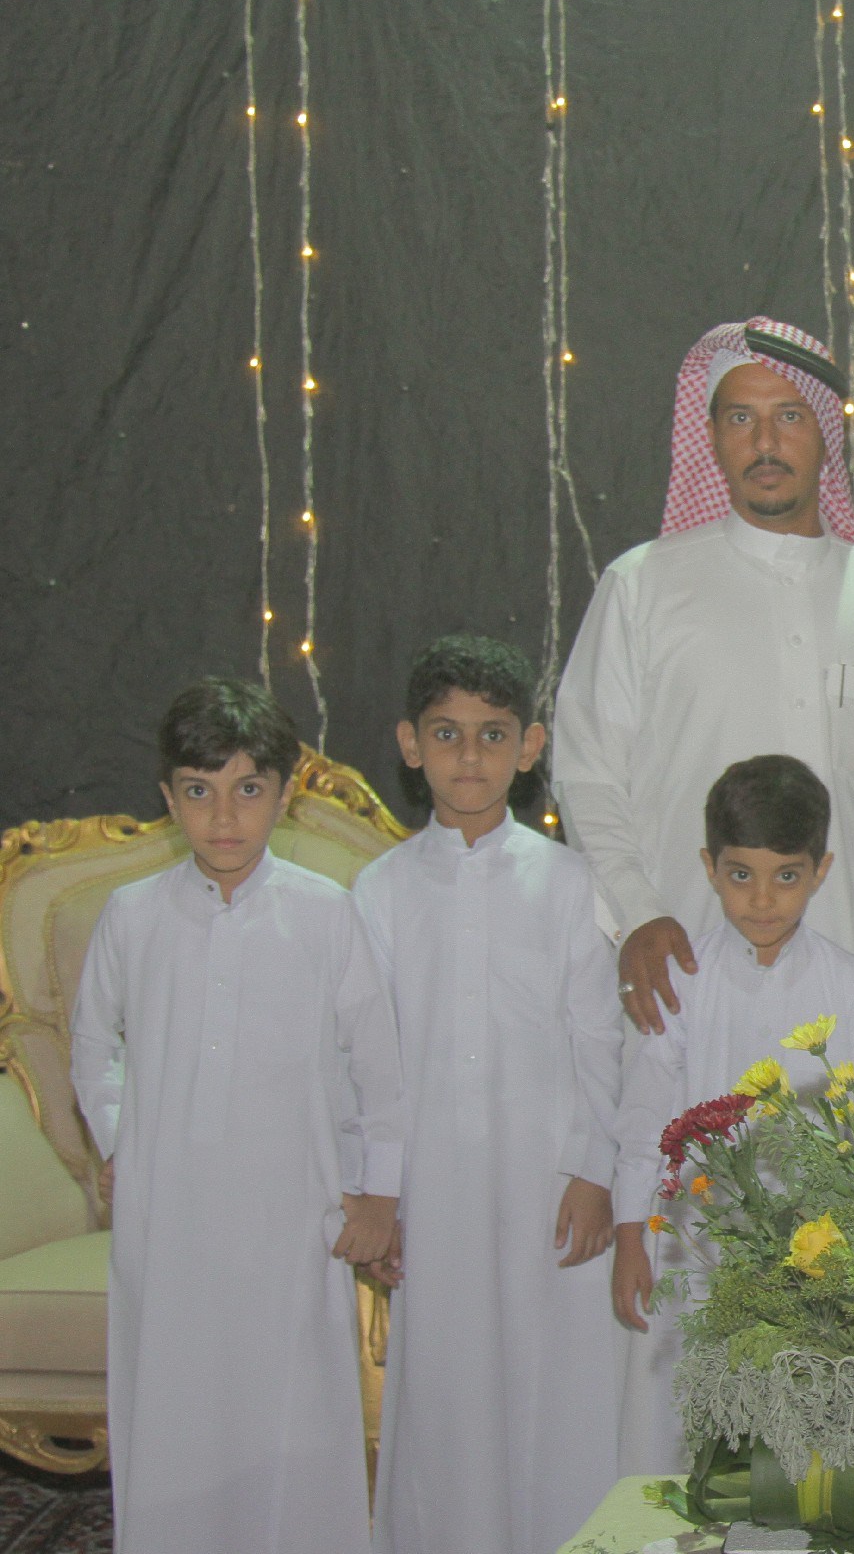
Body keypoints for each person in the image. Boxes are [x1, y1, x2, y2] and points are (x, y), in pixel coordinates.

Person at [553, 317, 854, 1038]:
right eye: (741, 418)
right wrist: (637, 916)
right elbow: (587, 776)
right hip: (686, 979)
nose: (766, 443)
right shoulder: (642, 586)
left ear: (827, 433)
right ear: (712, 435)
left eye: (790, 416)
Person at [68, 679, 404, 1554]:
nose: (224, 817)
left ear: (284, 795)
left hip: (290, 1215)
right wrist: (123, 1140)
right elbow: (92, 1045)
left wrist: (378, 1193)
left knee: (292, 1413)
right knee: (171, 1404)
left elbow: (378, 1067)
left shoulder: (327, 914)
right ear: (167, 797)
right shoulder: (132, 916)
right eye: (199, 790)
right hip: (167, 1218)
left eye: (248, 788)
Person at [353, 636, 627, 1554]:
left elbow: (600, 1038)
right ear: (410, 743)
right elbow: (369, 1059)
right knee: (447, 1395)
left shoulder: (571, 882)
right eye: (447, 734)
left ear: (530, 746)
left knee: (558, 1387)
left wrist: (594, 1170)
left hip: (549, 1186)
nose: (469, 757)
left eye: (492, 735)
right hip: (432, 1187)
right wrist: (381, 1192)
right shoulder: (379, 891)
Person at [608, 754, 854, 1474]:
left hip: (816, 1250)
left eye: (786, 877)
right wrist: (630, 1235)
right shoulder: (682, 980)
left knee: (797, 1441)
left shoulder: (852, 984)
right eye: (741, 875)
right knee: (676, 1428)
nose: (763, 900)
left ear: (821, 871)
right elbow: (644, 1115)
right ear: (710, 868)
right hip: (692, 1242)